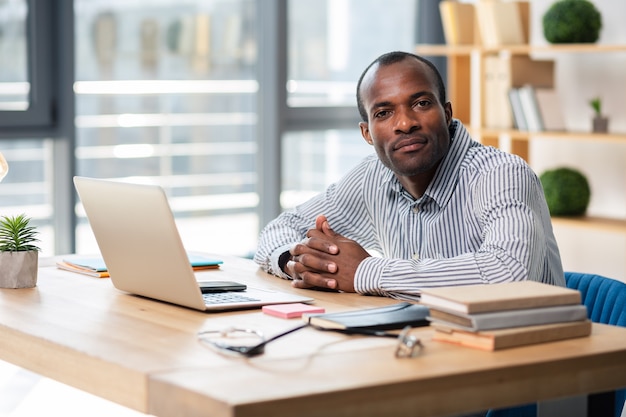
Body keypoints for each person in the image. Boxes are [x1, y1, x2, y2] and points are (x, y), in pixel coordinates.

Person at [253, 51, 564, 300]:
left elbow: (509, 274)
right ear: (367, 134)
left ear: (446, 113)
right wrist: (300, 264)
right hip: (427, 350)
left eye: (421, 103)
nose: (405, 123)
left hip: (529, 363)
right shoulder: (371, 177)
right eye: (384, 113)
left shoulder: (501, 175)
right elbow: (281, 229)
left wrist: (364, 272)